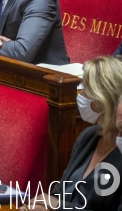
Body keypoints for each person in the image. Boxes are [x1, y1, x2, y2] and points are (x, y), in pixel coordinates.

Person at [21, 56, 122, 211]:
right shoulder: (89, 137)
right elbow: (58, 194)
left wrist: (59, 208)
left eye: (86, 90)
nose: (80, 96)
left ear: (104, 99)